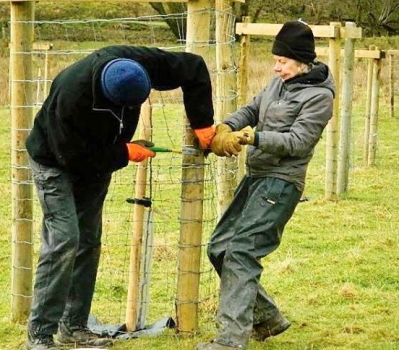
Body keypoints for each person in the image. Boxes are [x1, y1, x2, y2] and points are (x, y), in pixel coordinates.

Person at [24, 45, 216, 350]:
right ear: (106, 94)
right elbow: (71, 155)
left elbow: (193, 68)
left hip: (98, 158)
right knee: (64, 239)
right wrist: (124, 152)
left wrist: (203, 124)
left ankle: (73, 327)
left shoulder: (144, 63)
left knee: (88, 240)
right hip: (54, 160)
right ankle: (40, 336)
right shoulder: (73, 93)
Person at [197, 20, 335, 350]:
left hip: (281, 183)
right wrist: (227, 126)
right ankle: (268, 318)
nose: (276, 67)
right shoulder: (277, 84)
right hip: (257, 177)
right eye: (275, 61)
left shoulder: (319, 97)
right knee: (219, 247)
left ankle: (230, 341)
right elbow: (253, 108)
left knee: (242, 251)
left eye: (282, 62)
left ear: (302, 62)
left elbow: (299, 141)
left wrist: (253, 137)